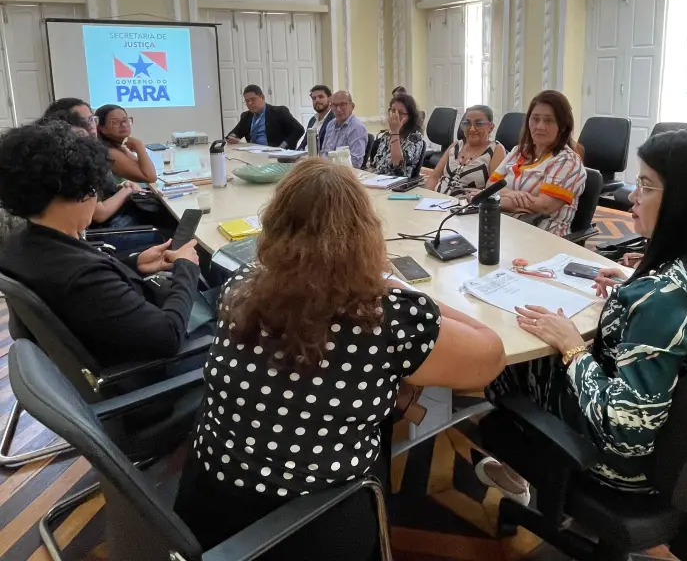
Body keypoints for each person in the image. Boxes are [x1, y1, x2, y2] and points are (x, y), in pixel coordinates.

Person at [173, 159, 506, 557]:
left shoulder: (242, 282)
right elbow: (491, 356)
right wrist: (398, 286)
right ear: (366, 233)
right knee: (393, 394)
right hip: (310, 526)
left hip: (206, 502)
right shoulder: (384, 316)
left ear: (275, 223)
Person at [476, 129, 687, 504]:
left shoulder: (664, 300)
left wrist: (572, 347)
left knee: (505, 359)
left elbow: (626, 433)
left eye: (646, 186)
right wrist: (634, 285)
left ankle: (518, 470)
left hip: (622, 468)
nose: (632, 196)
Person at [0, 121, 203, 367]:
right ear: (80, 190)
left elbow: (93, 286)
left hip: (106, 339)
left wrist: (134, 263)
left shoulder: (20, 242)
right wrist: (186, 268)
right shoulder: (80, 276)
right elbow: (169, 337)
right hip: (145, 369)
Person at [482, 90, 586, 237]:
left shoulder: (567, 161)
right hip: (505, 229)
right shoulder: (518, 151)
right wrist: (514, 194)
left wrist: (497, 200)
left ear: (563, 126)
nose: (540, 126)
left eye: (548, 121)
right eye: (535, 119)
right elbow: (490, 185)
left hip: (544, 236)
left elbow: (544, 206)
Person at [426, 105, 506, 194]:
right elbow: (434, 177)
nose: (472, 129)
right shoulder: (455, 145)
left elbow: (494, 190)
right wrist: (426, 197)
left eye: (479, 123)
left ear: (491, 127)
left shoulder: (496, 149)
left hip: (467, 202)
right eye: (467, 123)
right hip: (437, 199)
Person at [226, 85, 304, 148]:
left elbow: (299, 130)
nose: (250, 103)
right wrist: (232, 137)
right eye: (247, 101)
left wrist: (283, 146)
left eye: (253, 99)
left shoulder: (279, 112)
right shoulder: (246, 116)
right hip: (253, 153)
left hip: (274, 153)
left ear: (262, 97)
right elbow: (234, 134)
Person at [96, 104, 158, 184]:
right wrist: (139, 145)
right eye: (115, 122)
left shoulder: (117, 146)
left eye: (125, 120)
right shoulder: (109, 152)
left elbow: (142, 167)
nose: (124, 125)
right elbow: (150, 177)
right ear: (102, 128)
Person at [370, 92, 425, 177]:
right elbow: (375, 165)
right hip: (377, 179)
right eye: (393, 111)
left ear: (410, 117)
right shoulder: (386, 136)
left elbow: (397, 163)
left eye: (401, 113)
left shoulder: (415, 137)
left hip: (397, 182)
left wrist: (395, 132)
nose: (395, 116)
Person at [320, 90, 369, 168]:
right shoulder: (330, 124)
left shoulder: (357, 128)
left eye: (343, 104)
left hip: (343, 172)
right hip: (326, 169)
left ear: (352, 107)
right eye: (334, 105)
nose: (338, 109)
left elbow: (355, 163)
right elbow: (323, 152)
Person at [297, 84, 334, 150]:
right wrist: (296, 153)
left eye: (321, 97)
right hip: (305, 154)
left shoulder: (334, 119)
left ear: (330, 99)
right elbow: (304, 143)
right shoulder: (312, 120)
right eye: (314, 98)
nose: (317, 100)